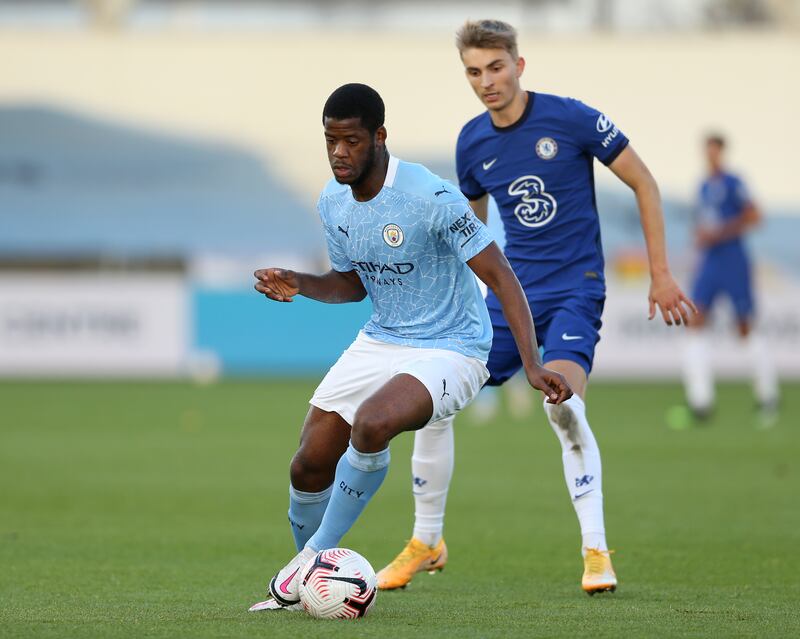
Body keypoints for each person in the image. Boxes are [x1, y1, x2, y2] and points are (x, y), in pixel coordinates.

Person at [376, 19, 695, 595]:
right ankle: (427, 540)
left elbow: (644, 182)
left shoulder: (570, 118)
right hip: (510, 299)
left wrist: (661, 274)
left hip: (577, 287)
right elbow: (469, 228)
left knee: (562, 405)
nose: (486, 81)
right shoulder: (472, 141)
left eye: (496, 67)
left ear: (519, 65)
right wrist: (458, 296)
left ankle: (596, 551)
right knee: (431, 396)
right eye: (474, 72)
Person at [248, 83, 572, 612]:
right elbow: (351, 284)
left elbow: (502, 276)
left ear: (379, 137)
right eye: (330, 141)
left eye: (350, 141)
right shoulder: (332, 201)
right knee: (308, 464)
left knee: (373, 422)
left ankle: (309, 560)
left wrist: (532, 363)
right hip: (382, 340)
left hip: (455, 347)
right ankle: (309, 584)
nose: (338, 153)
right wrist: (301, 282)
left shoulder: (431, 197)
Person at [674, 133, 779, 428]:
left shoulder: (734, 182)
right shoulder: (703, 186)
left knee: (744, 326)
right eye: (707, 151)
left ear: (722, 152)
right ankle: (700, 401)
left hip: (733, 259)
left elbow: (755, 215)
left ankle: (767, 394)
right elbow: (703, 225)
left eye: (715, 151)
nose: (711, 156)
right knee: (695, 320)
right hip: (709, 262)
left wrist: (719, 232)